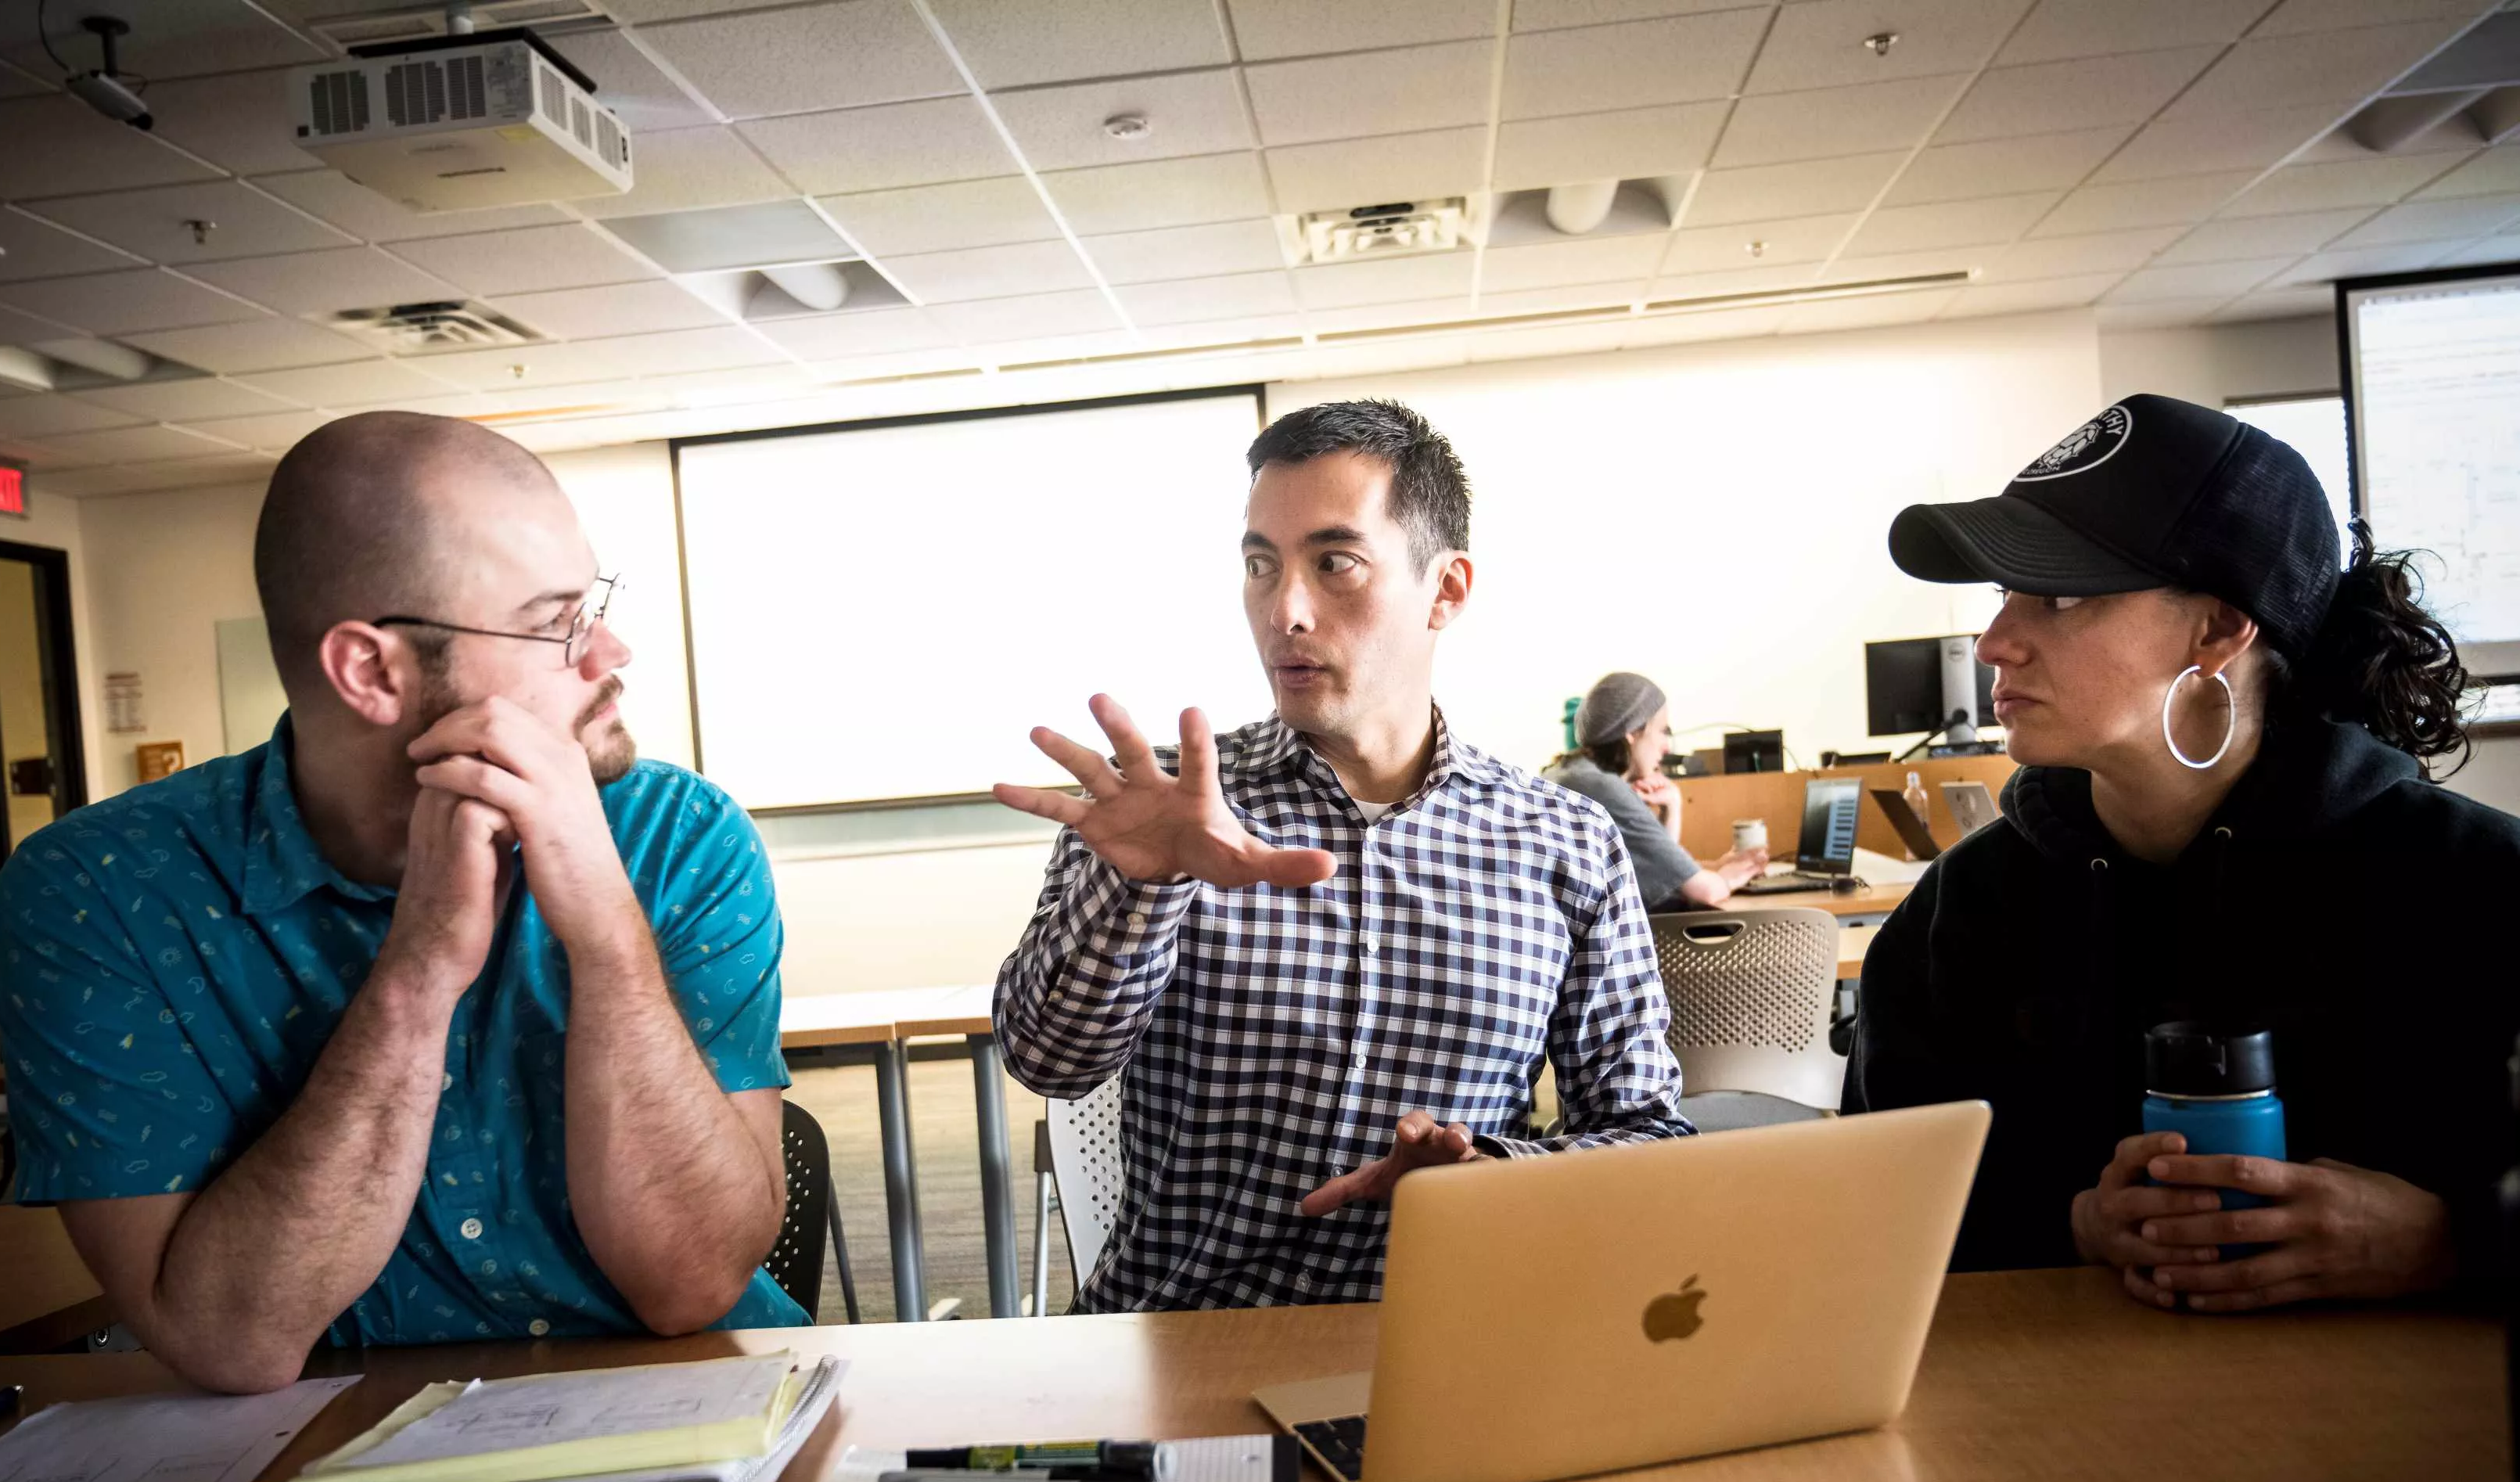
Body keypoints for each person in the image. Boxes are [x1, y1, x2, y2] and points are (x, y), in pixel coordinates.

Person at [0, 413, 800, 1394]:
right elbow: (232, 1341)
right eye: (555, 622)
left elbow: (693, 1284)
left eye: (595, 604)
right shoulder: (97, 893)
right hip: (326, 1460)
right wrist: (418, 971)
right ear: (373, 671)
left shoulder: (677, 834)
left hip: (699, 1412)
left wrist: (604, 933)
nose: (609, 651)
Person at [993, 399, 1691, 1311]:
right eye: (1258, 565)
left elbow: (1643, 1130)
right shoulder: (1166, 806)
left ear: (1444, 590)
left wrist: (1491, 1168)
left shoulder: (1563, 842)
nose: (1283, 610)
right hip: (1183, 1340)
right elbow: (1046, 1060)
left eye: (1334, 564)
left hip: (1452, 1336)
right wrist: (1139, 889)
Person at [1848, 392, 2520, 1311]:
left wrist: (2450, 1239)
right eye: (2002, 595)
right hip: (2054, 1426)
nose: (1995, 641)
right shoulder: (1961, 910)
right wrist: (2072, 1223)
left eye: (2057, 595)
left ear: (2216, 629)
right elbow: (1872, 1212)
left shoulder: (2474, 884)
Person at [1543, 672, 1767, 910]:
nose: (1667, 747)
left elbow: (1663, 871)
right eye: (1662, 731)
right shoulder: (1602, 788)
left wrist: (1673, 807)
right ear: (1632, 731)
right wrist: (1733, 875)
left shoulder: (1568, 773)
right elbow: (1706, 892)